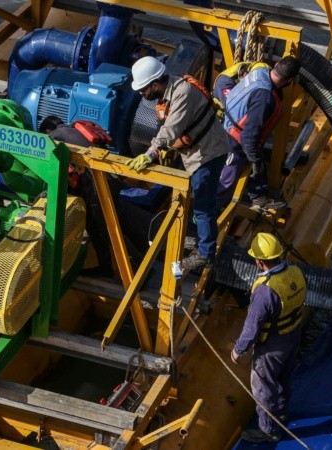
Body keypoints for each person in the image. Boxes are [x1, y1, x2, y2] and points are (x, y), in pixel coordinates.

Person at [126, 56, 229, 270]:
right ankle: (197, 237)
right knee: (178, 190)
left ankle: (206, 253)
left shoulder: (183, 93)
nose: (142, 94)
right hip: (191, 154)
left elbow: (171, 129)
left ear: (155, 84)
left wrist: (151, 152)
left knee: (203, 205)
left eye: (143, 89)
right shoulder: (168, 93)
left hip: (207, 154)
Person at [231, 232, 306, 443]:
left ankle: (268, 430)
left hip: (272, 344)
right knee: (284, 378)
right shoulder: (295, 272)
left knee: (263, 386)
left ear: (259, 261)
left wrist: (239, 349)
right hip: (293, 334)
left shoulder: (266, 290)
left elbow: (252, 327)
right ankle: (281, 413)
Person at [216, 56, 300, 210]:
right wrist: (255, 161)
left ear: (276, 65)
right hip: (233, 141)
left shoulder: (261, 71)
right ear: (291, 80)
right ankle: (209, 214)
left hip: (225, 123)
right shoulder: (265, 98)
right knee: (226, 180)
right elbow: (248, 137)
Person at [38, 115, 114, 277]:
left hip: (94, 186)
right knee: (103, 226)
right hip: (107, 179)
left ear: (47, 131)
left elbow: (59, 173)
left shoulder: (55, 138)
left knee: (101, 229)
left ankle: (111, 268)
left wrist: (48, 197)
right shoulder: (74, 130)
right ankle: (109, 266)